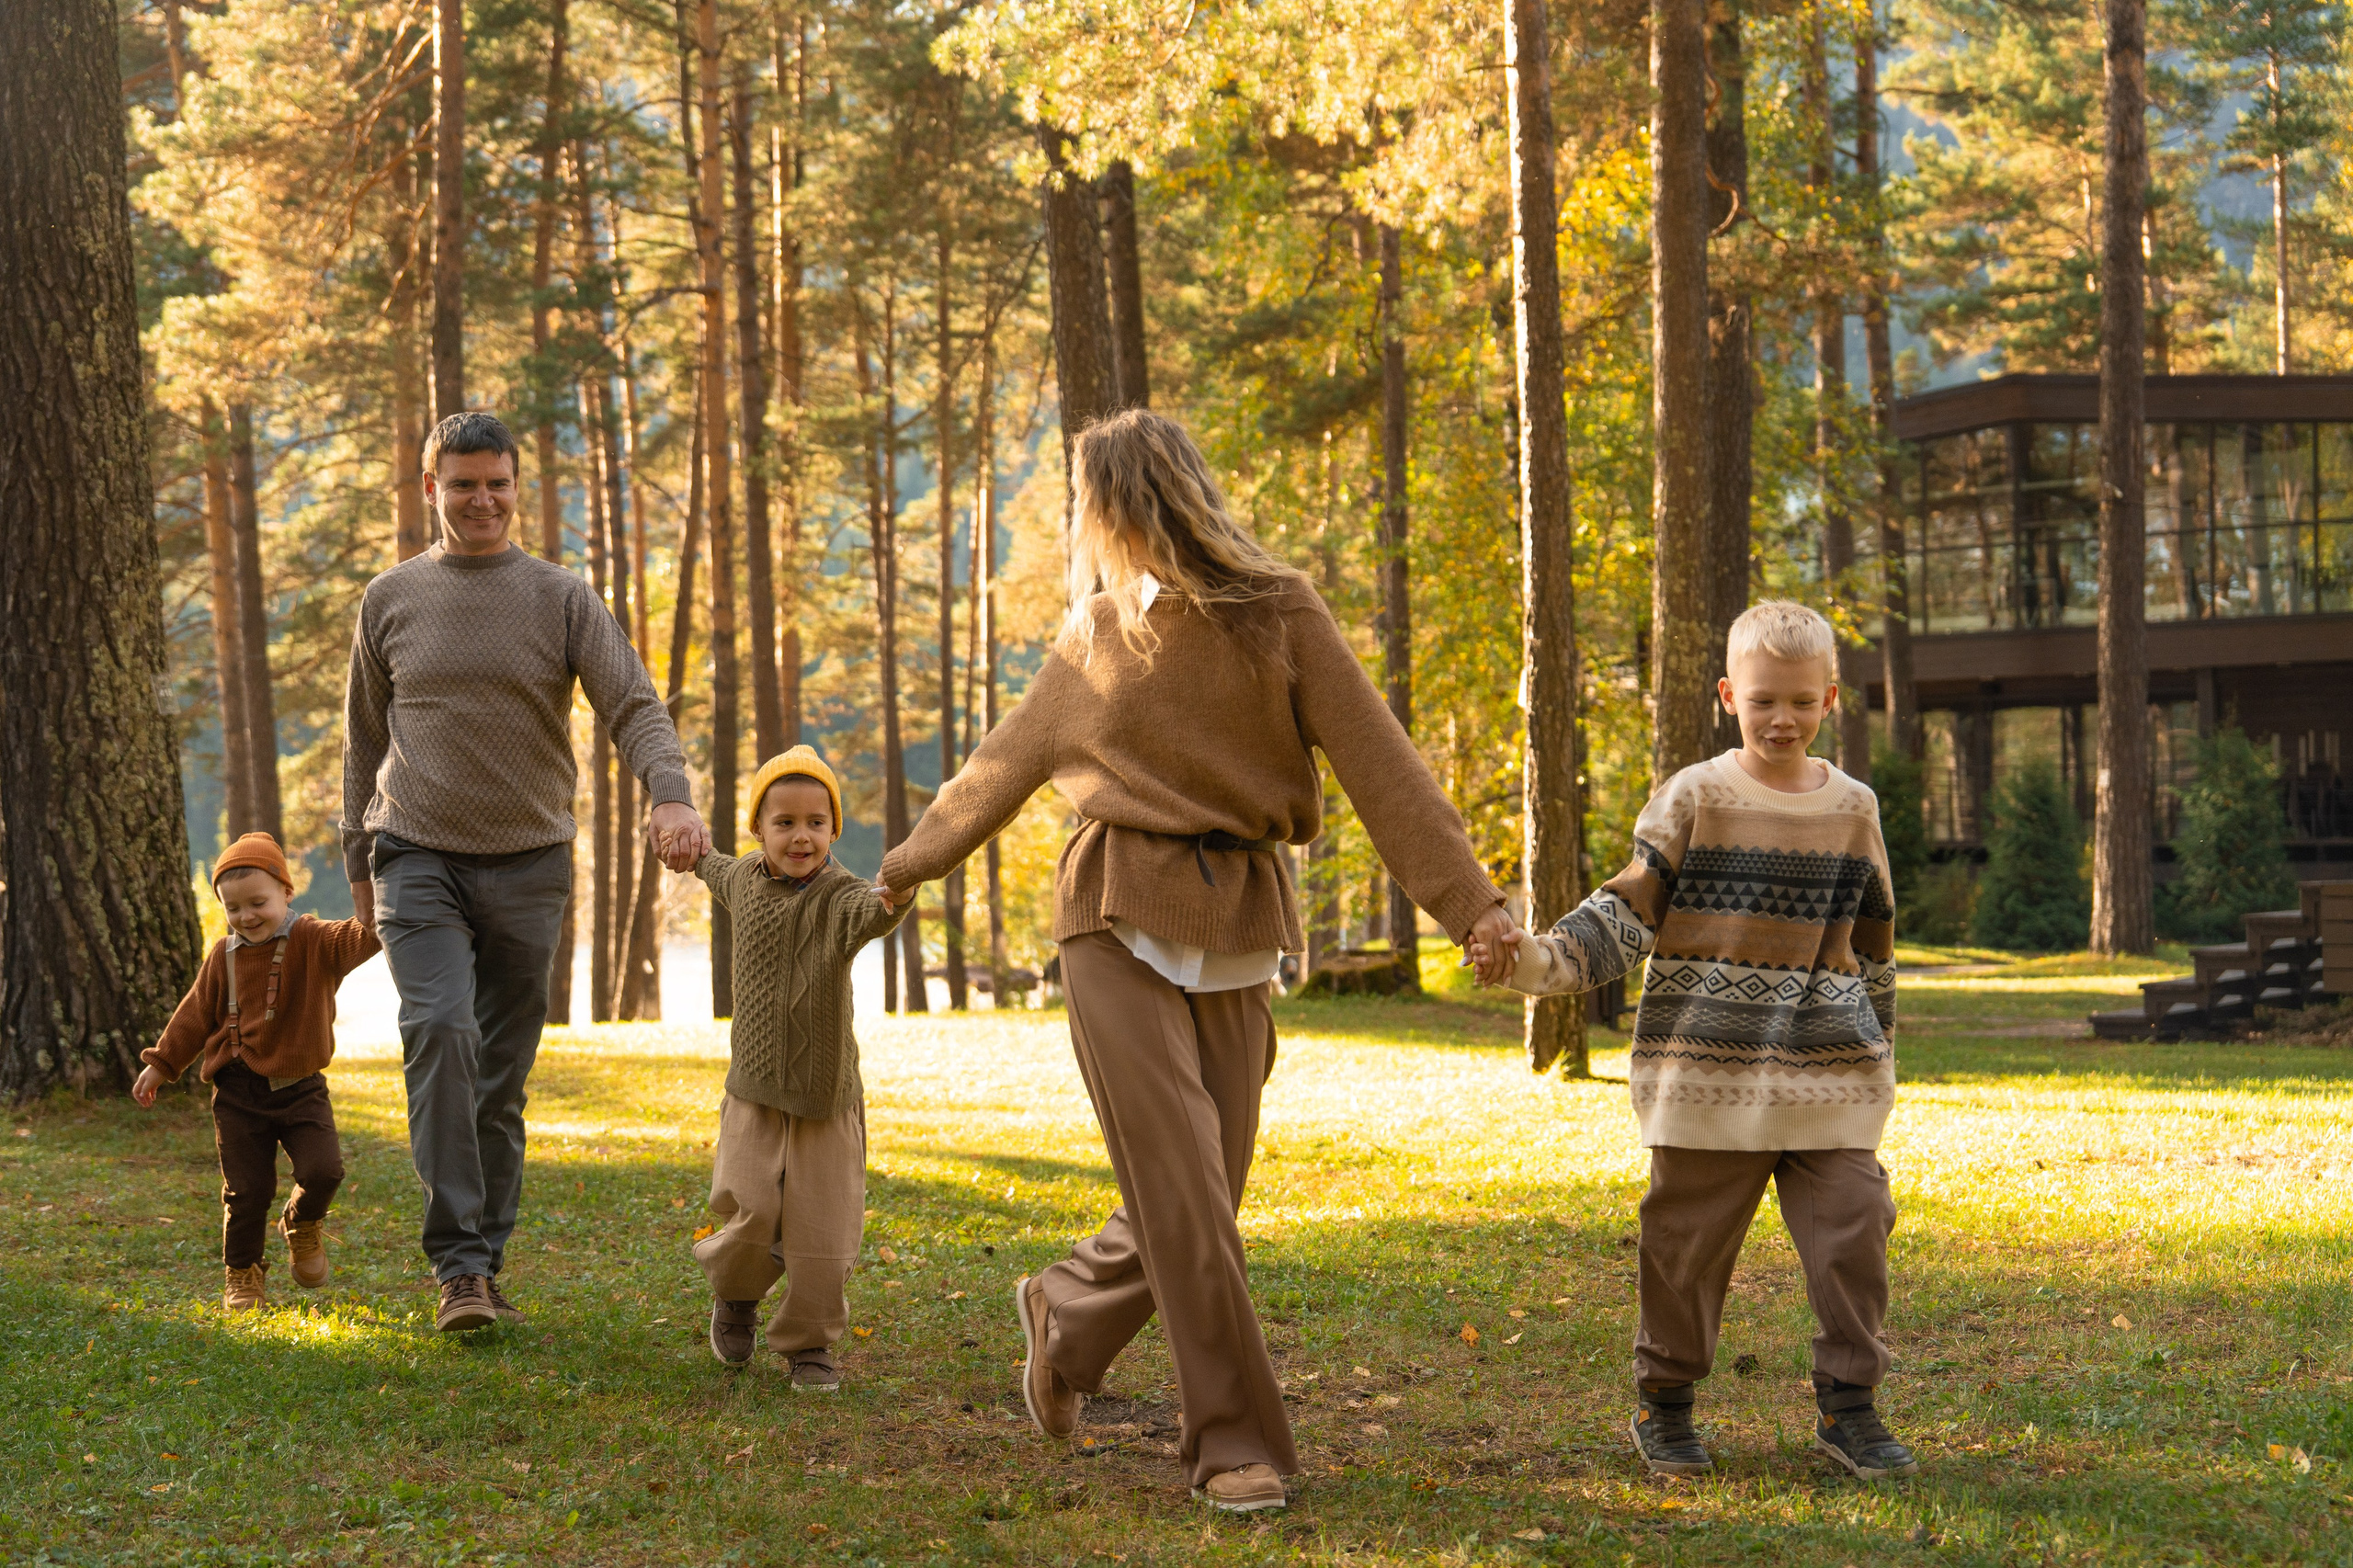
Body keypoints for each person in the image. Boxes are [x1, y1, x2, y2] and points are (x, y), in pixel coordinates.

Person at [877, 409, 1518, 1514]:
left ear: (1124, 501)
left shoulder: (1280, 611)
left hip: (1238, 922)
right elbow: (997, 768)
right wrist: (901, 869)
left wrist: (1470, 903)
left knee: (1204, 1190)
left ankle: (1065, 1313)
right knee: (1181, 1190)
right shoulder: (1092, 635)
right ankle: (1230, 1440)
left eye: (1093, 503)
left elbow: (1381, 765)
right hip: (1112, 914)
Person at [1471, 599, 1916, 1482]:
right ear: (1728, 696)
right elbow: (1624, 914)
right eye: (1762, 702)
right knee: (1683, 1250)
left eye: (1799, 701)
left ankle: (1848, 1409)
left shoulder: (1854, 808)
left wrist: (1880, 1052)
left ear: (1830, 698)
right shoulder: (1696, 796)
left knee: (1855, 1228)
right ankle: (1665, 1403)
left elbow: (1875, 941)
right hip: (1706, 1075)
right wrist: (1534, 961)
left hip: (1829, 1072)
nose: (1780, 719)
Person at [340, 411, 711, 1334]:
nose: (482, 500)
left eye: (497, 482)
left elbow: (632, 702)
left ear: (518, 485)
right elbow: (362, 744)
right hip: (415, 853)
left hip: (531, 862)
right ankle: (457, 1268)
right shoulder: (390, 599)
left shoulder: (560, 598)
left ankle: (486, 1257)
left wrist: (669, 792)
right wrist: (359, 865)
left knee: (499, 1079)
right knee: (438, 1028)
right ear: (431, 488)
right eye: (463, 483)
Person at [692, 746, 908, 1392]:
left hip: (825, 1097)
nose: (801, 835)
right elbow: (705, 863)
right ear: (758, 828)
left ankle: (810, 1345)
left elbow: (873, 913)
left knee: (823, 1231)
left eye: (817, 821)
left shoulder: (841, 897)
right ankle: (735, 1297)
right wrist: (682, 841)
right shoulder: (740, 881)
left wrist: (901, 890)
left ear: (834, 830)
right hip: (755, 1092)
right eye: (783, 821)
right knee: (750, 1212)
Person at [134, 834, 380, 1312]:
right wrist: (161, 1065)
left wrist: (385, 897)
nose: (247, 916)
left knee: (323, 1170)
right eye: (234, 907)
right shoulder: (223, 956)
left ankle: (302, 1223)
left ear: (286, 893)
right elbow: (192, 1018)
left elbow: (366, 933)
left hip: (301, 1088)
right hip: (238, 1091)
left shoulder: (315, 940)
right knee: (246, 1190)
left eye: (258, 903)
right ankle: (243, 1273)